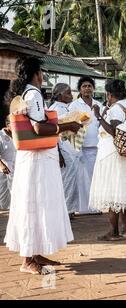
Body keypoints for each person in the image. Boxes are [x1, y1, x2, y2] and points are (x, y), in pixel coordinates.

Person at [4, 56, 81, 274]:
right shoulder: (34, 93)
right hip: (37, 160)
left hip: (32, 158)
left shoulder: (24, 94)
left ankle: (34, 253)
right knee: (36, 203)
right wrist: (68, 126)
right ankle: (28, 260)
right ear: (36, 73)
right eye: (41, 71)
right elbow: (39, 128)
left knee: (35, 202)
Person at [89, 79, 126, 241]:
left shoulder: (116, 109)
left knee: (112, 192)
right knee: (121, 191)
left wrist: (98, 117)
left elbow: (115, 131)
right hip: (124, 155)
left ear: (109, 94)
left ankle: (114, 231)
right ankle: (125, 229)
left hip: (112, 154)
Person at [49, 83, 91, 218]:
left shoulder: (66, 108)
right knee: (66, 180)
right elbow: (53, 133)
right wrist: (59, 153)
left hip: (70, 149)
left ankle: (70, 210)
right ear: (60, 95)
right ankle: (66, 211)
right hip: (62, 149)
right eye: (68, 93)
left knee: (71, 179)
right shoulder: (54, 109)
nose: (70, 95)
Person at [68, 76, 103, 214]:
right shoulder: (74, 105)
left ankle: (95, 206)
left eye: (89, 86)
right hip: (81, 146)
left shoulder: (98, 104)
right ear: (80, 89)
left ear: (93, 88)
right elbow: (70, 126)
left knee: (95, 177)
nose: (87, 88)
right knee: (83, 178)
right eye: (84, 86)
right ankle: (85, 208)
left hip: (97, 146)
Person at [0, 117, 16, 210]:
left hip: (17, 170)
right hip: (4, 171)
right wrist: (2, 166)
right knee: (4, 200)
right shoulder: (0, 135)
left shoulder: (17, 135)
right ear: (8, 125)